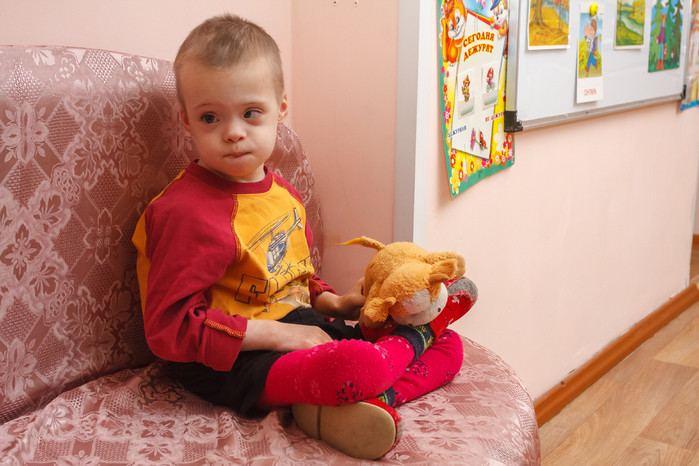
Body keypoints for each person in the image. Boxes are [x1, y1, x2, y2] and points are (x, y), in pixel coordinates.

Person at [132, 13, 471, 460]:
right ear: (186, 121)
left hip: (297, 326)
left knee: (449, 345)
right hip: (230, 358)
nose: (233, 132)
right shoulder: (183, 213)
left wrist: (333, 302)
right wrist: (280, 336)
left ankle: (368, 398)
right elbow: (169, 329)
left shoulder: (284, 195)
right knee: (358, 363)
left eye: (251, 113)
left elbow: (293, 276)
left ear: (281, 109)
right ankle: (358, 383)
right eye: (210, 117)